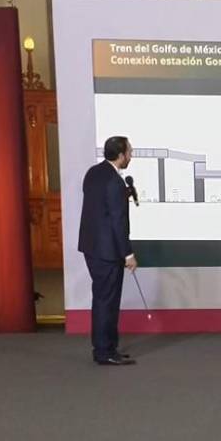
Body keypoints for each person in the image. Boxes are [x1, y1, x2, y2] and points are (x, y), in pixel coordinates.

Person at [78, 136, 138, 365]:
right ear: (121, 155)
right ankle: (105, 352)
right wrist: (128, 254)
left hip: (92, 247)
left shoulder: (93, 173)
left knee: (103, 298)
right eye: (129, 152)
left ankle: (107, 347)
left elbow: (100, 207)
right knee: (107, 302)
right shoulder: (114, 182)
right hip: (107, 251)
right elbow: (117, 221)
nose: (131, 156)